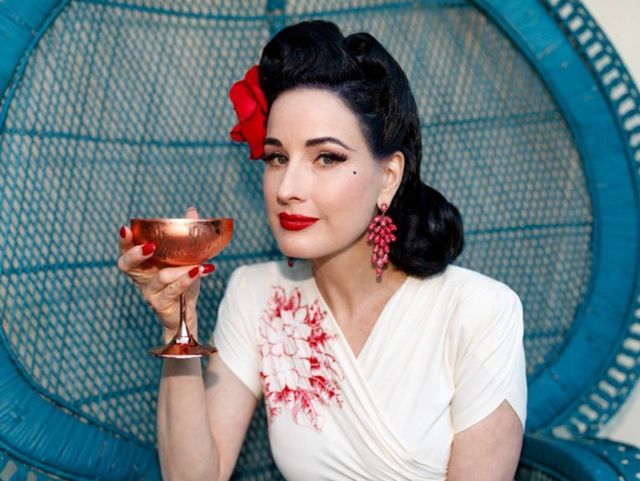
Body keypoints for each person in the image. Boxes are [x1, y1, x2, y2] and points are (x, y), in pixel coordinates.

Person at [117, 20, 527, 481]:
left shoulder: (479, 311)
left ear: (388, 177)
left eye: (326, 157)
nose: (287, 188)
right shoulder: (256, 295)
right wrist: (179, 325)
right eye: (277, 157)